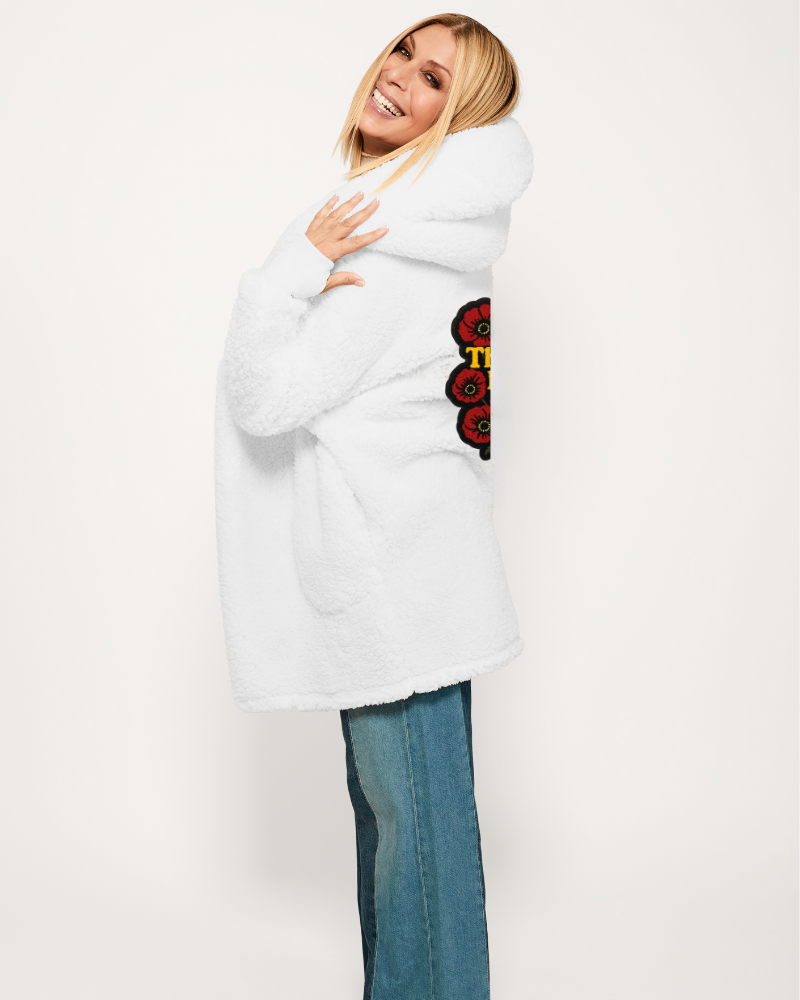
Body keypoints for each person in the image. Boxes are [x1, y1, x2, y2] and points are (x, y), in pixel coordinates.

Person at [215, 13, 532, 1000]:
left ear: (457, 120)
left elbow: (266, 399)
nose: (399, 77)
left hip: (391, 578)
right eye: (403, 52)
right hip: (420, 569)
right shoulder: (442, 239)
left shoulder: (384, 251)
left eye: (434, 79)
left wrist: (287, 274)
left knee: (415, 848)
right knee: (411, 836)